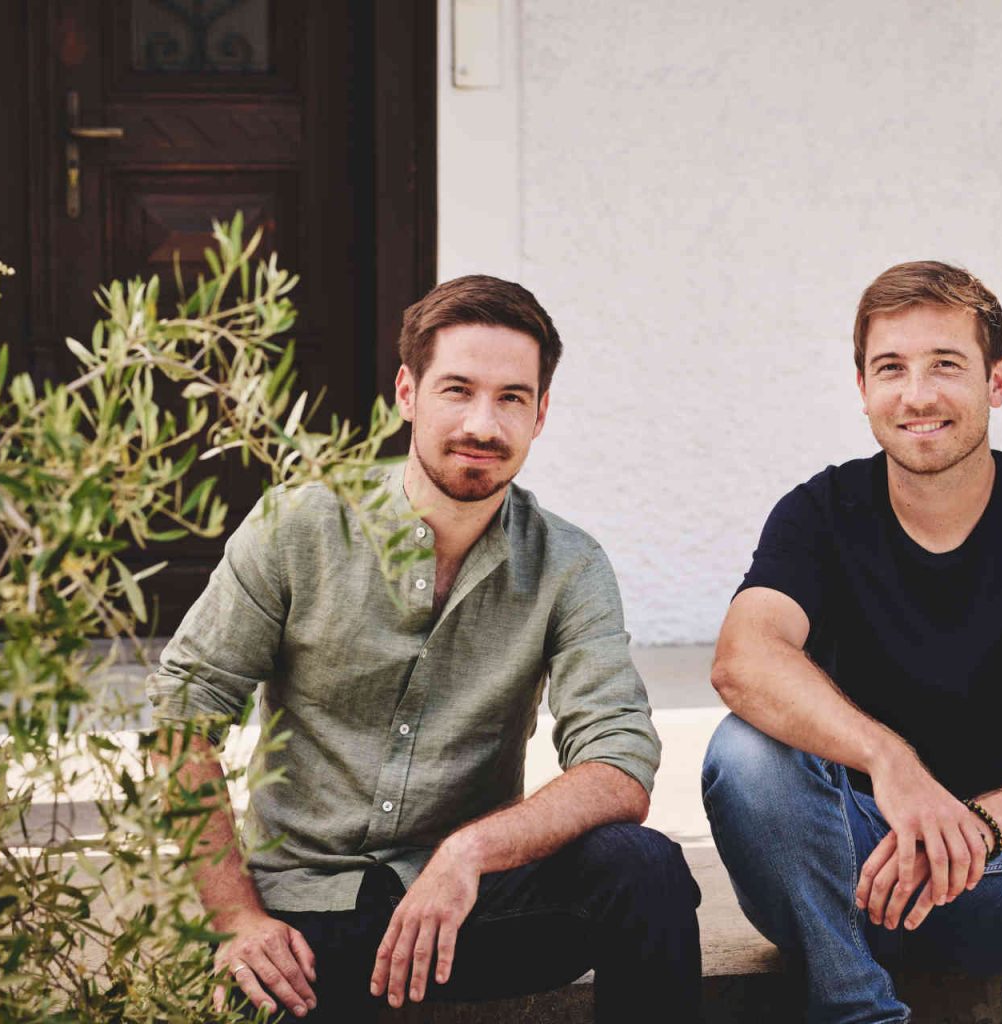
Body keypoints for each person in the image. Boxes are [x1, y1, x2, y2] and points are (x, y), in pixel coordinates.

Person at [146, 275, 701, 1023]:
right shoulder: (299, 527)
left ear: (540, 415)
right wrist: (237, 918)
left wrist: (469, 853)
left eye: (511, 398)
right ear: (407, 392)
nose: (483, 422)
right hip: (308, 917)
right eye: (457, 390)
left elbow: (619, 764)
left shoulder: (569, 565)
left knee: (646, 869)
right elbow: (182, 715)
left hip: (467, 909)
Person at [701, 261, 1002, 1023]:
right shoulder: (819, 513)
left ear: (998, 379)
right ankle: (858, 1012)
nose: (916, 395)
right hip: (845, 879)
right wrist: (895, 767)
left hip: (998, 870)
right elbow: (744, 659)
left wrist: (976, 828)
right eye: (891, 368)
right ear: (862, 389)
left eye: (945, 366)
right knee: (743, 752)